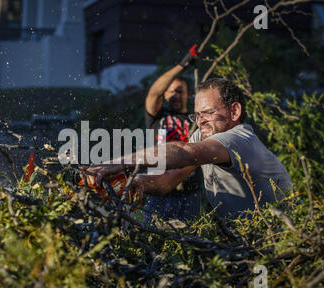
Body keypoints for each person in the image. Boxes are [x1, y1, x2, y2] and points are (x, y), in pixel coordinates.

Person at [84, 78, 293, 219]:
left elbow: (184, 152)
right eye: (197, 115)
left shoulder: (239, 139)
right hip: (243, 241)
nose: (201, 122)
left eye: (208, 113)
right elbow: (167, 181)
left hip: (277, 239)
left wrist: (114, 163)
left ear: (234, 111)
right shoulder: (205, 135)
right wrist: (134, 184)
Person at [143, 44, 202, 221]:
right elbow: (154, 92)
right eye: (171, 91)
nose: (175, 95)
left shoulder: (197, 120)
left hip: (189, 195)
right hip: (158, 191)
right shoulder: (157, 116)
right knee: (151, 239)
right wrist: (182, 65)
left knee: (189, 243)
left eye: (180, 91)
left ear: (189, 95)